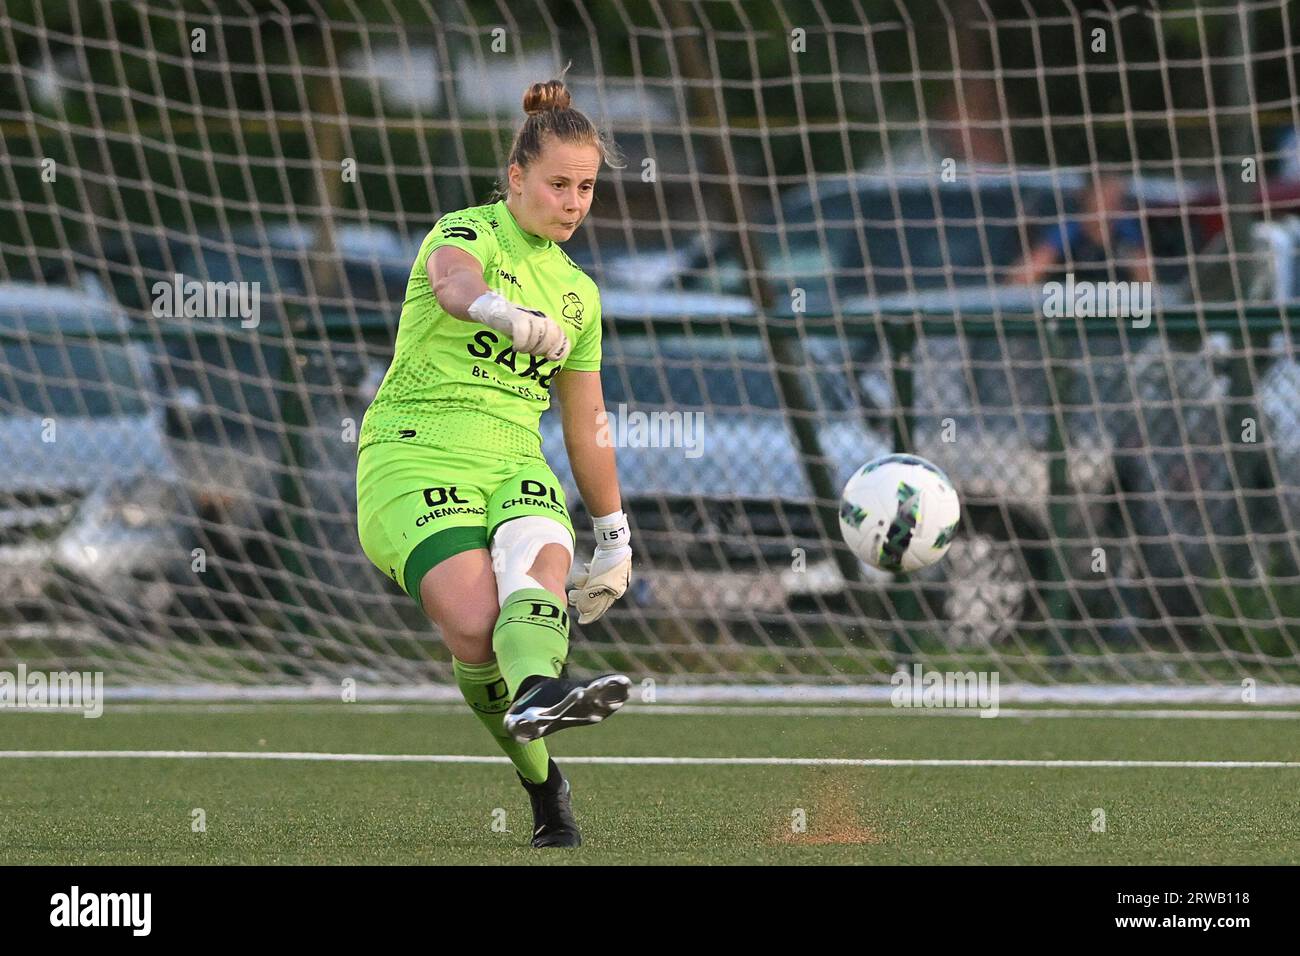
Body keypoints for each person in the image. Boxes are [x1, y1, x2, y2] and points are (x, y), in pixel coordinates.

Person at [356, 77, 631, 848]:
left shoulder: (580, 294)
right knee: (476, 631)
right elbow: (453, 285)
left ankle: (543, 687)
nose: (574, 203)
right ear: (516, 179)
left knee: (538, 573)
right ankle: (545, 783)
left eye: (585, 188)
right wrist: (499, 313)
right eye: (557, 185)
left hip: (513, 461)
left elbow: (587, 421)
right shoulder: (466, 231)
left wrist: (614, 535)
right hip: (415, 451)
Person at [1015, 171, 1152, 286]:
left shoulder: (1126, 233)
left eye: (1117, 198)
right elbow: (1026, 274)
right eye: (1104, 196)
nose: (1111, 204)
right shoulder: (1069, 231)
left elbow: (1148, 282)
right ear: (1088, 197)